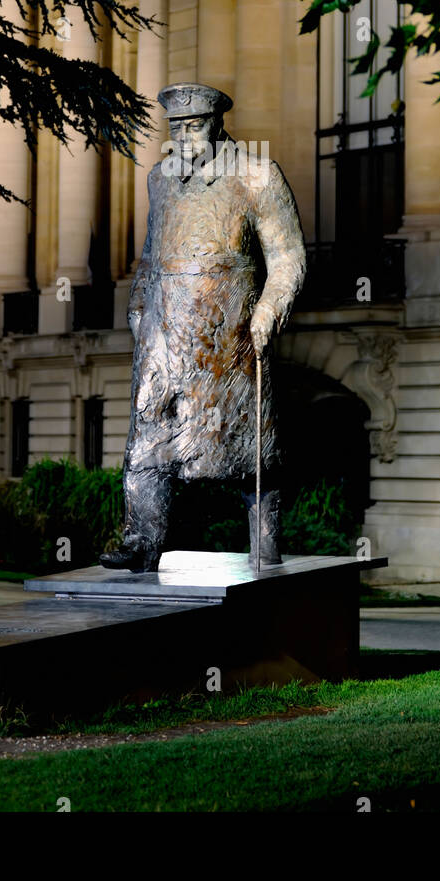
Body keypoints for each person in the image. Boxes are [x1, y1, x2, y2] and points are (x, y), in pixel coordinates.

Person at [100, 82, 306, 572]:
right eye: (177, 126)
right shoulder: (161, 180)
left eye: (195, 125)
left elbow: (289, 256)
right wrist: (138, 309)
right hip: (163, 334)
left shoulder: (257, 175)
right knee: (148, 438)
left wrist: (268, 312)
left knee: (251, 445)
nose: (186, 135)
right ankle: (141, 541)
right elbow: (149, 257)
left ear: (218, 123)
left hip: (229, 332)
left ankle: (265, 544)